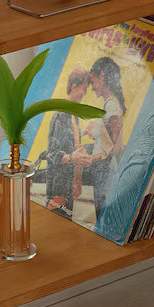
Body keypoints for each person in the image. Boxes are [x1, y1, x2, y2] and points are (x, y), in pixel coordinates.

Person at [75, 56, 125, 227]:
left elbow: (116, 146)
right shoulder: (107, 105)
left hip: (106, 171)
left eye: (92, 81)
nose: (92, 88)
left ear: (102, 76)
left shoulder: (111, 106)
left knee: (104, 217)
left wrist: (93, 158)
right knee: (101, 216)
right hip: (102, 171)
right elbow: (108, 140)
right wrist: (95, 134)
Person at [44, 69, 90, 218]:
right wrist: (71, 158)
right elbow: (52, 154)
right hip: (59, 189)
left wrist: (78, 179)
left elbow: (75, 152)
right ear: (75, 85)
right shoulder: (60, 115)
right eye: (85, 87)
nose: (86, 92)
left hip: (70, 188)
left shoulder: (74, 117)